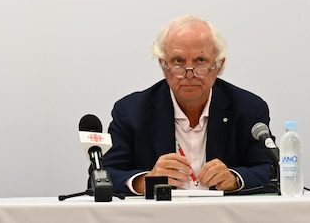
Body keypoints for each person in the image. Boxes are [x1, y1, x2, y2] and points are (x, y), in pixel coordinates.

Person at [103, 15, 273, 195]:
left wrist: (235, 178)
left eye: (200, 61)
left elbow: (270, 169)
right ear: (163, 65)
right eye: (178, 61)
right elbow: (103, 175)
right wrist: (145, 182)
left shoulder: (248, 109)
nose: (189, 74)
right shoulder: (131, 112)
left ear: (219, 65)